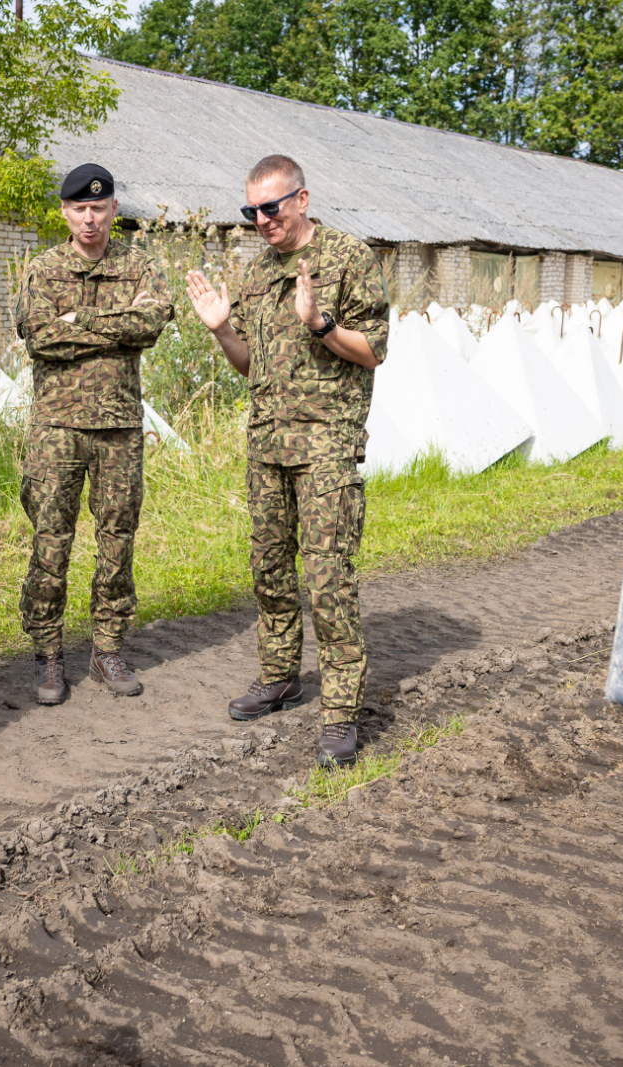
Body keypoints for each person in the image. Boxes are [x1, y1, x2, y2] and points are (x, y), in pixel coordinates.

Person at [186, 155, 389, 768]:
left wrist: (321, 323)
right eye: (250, 212)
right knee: (270, 568)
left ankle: (342, 709)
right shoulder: (254, 274)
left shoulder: (350, 258)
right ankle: (280, 676)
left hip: (325, 443)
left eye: (270, 208)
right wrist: (222, 330)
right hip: (267, 444)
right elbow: (252, 364)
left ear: (302, 199)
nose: (261, 221)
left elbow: (373, 351)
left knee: (328, 576)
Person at [14, 164, 174, 704]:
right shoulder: (44, 268)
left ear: (113, 211)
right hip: (57, 427)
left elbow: (149, 324)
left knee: (117, 540)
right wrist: (109, 327)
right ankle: (48, 654)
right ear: (65, 212)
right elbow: (38, 337)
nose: (90, 218)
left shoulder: (139, 264)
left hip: (118, 427)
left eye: (99, 208)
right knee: (50, 541)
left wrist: (76, 322)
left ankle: (107, 647)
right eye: (80, 208)